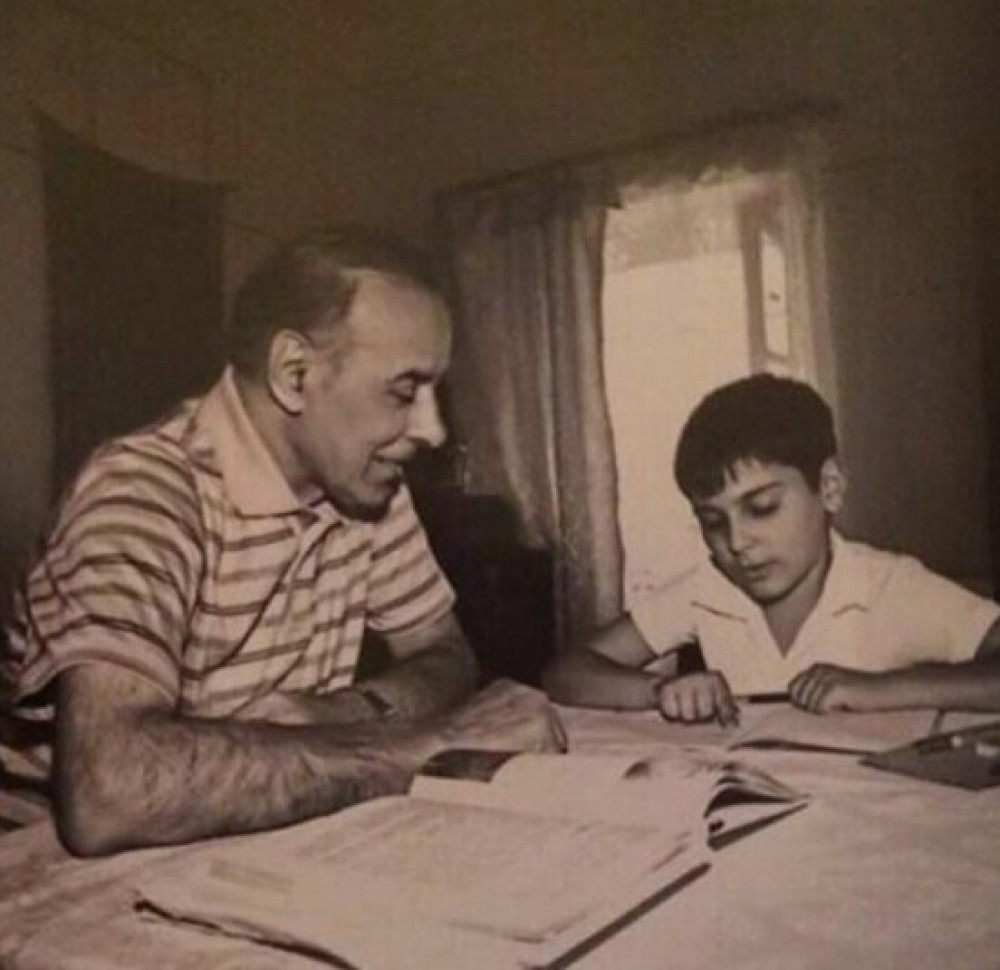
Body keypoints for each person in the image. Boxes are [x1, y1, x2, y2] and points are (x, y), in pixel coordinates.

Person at [0, 225, 563, 855]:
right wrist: (429, 749)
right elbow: (110, 793)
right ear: (294, 373)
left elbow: (446, 655)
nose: (432, 431)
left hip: (247, 836)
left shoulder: (365, 482)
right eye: (404, 391)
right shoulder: (141, 491)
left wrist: (345, 712)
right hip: (49, 864)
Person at [544, 373, 1000, 725]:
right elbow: (566, 672)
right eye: (713, 522)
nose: (737, 542)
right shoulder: (708, 589)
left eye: (761, 508)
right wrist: (659, 690)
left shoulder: (889, 585)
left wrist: (883, 689)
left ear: (829, 487)